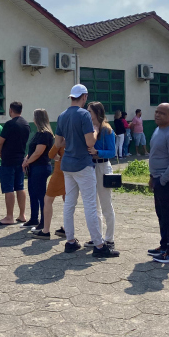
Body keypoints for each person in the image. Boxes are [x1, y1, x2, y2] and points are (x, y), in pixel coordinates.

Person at [54, 84, 119, 258]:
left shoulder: (62, 115)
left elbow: (59, 143)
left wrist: (73, 141)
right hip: (83, 164)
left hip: (67, 165)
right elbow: (90, 142)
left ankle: (70, 241)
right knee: (91, 204)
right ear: (84, 96)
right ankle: (99, 244)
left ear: (71, 97)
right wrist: (95, 132)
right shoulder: (83, 114)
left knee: (69, 204)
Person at [147, 103, 169, 264]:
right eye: (156, 112)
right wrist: (152, 177)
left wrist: (162, 180)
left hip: (168, 181)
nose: (157, 115)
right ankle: (164, 246)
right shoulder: (158, 130)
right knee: (161, 215)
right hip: (158, 179)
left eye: (161, 113)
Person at [0, 101, 30, 226]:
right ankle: (22, 214)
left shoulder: (10, 124)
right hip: (20, 159)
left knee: (8, 188)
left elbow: (0, 141)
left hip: (8, 159)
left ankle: (9, 216)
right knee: (20, 187)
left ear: (10, 110)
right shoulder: (26, 124)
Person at [87, 101, 117, 249]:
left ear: (97, 113)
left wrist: (98, 152)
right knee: (94, 205)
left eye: (90, 112)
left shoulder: (107, 130)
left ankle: (109, 238)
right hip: (91, 168)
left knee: (106, 204)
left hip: (103, 167)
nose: (88, 114)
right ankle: (96, 237)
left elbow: (112, 152)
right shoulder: (88, 128)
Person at [21, 109, 54, 230]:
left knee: (41, 195)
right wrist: (26, 160)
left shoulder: (45, 134)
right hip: (33, 167)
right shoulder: (38, 133)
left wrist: (27, 162)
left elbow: (39, 152)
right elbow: (32, 151)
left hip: (41, 167)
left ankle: (43, 222)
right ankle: (34, 218)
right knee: (33, 193)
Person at [33, 143, 67, 239]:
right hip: (72, 171)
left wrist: (56, 155)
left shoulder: (62, 137)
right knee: (68, 200)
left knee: (48, 200)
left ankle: (46, 230)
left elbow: (51, 154)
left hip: (59, 171)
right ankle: (67, 229)